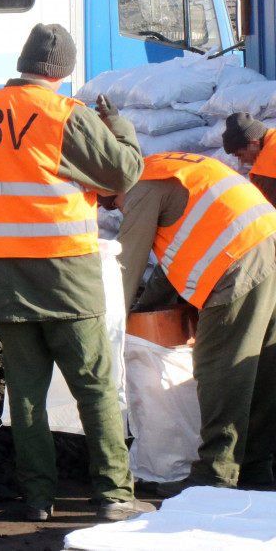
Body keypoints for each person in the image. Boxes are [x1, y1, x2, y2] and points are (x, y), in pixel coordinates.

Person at [0, 23, 152, 522]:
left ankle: (37, 499)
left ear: (24, 62)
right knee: (95, 386)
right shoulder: (66, 115)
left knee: (26, 393)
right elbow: (123, 172)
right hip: (64, 273)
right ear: (63, 71)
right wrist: (118, 129)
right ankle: (113, 496)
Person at [112, 151, 276, 494]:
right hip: (268, 241)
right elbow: (169, 266)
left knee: (221, 371)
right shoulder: (172, 166)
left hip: (237, 261)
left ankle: (214, 475)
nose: (113, 210)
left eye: (112, 203)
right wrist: (147, 308)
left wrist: (115, 319)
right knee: (263, 368)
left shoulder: (143, 188)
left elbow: (127, 264)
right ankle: (257, 467)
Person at [223, 112, 276, 204]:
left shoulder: (264, 173)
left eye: (241, 155)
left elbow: (267, 213)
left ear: (254, 144)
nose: (242, 161)